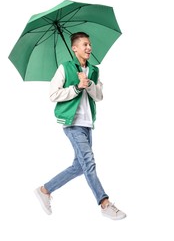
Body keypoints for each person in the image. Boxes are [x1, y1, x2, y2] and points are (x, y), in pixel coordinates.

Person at [34, 32, 126, 220]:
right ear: (74, 48)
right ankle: (104, 203)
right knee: (89, 163)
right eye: (84, 44)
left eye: (90, 44)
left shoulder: (93, 70)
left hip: (87, 123)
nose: (89, 48)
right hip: (72, 123)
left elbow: (99, 97)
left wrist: (89, 83)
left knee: (79, 166)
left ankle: (44, 190)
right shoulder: (64, 68)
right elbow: (53, 95)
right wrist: (76, 87)